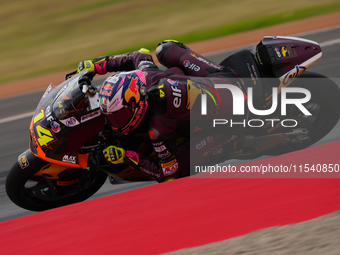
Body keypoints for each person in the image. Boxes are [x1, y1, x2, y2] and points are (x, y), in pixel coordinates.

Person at [77, 40, 247, 182]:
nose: (114, 122)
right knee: (165, 48)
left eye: (118, 115)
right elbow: (139, 55)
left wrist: (126, 156)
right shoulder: (148, 76)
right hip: (223, 80)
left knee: (180, 168)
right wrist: (97, 65)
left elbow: (166, 175)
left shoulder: (159, 130)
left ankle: (231, 144)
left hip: (232, 120)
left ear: (136, 107)